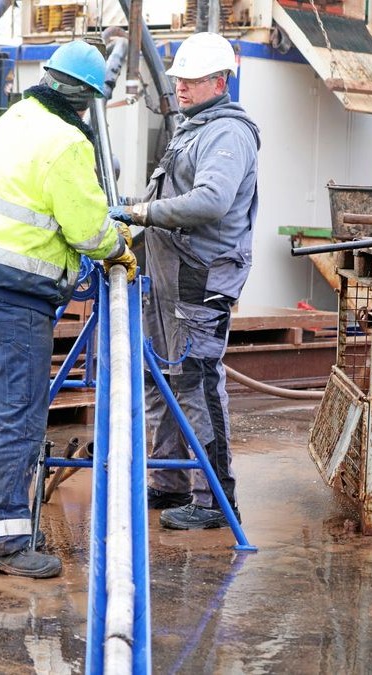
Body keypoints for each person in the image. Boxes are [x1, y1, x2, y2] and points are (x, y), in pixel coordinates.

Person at [0, 40, 136, 578]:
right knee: (19, 420)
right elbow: (87, 229)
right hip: (13, 299)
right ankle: (2, 544)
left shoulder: (15, 118)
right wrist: (118, 247)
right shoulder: (68, 142)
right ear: (89, 100)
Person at [110, 32, 261, 530]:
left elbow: (210, 202)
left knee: (196, 382)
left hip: (200, 279)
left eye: (192, 81)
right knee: (165, 380)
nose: (181, 89)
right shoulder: (193, 127)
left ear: (220, 81)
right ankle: (171, 481)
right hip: (169, 279)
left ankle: (216, 497)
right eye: (179, 80)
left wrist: (141, 212)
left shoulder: (227, 134)